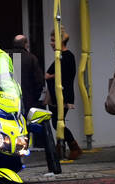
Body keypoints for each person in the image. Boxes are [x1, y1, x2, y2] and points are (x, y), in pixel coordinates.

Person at [46, 31, 84, 160]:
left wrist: (51, 76)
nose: (51, 43)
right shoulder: (60, 56)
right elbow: (51, 73)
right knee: (57, 122)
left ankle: (73, 147)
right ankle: (61, 147)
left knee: (58, 122)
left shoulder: (67, 56)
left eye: (53, 40)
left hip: (62, 95)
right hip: (56, 95)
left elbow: (62, 74)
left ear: (60, 41)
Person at [11, 34, 44, 115]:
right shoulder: (31, 58)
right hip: (28, 99)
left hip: (9, 99)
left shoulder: (6, 57)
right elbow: (39, 81)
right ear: (26, 44)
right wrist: (35, 97)